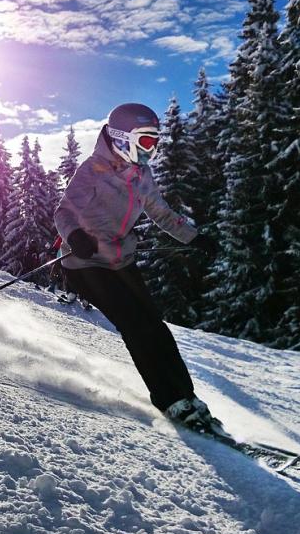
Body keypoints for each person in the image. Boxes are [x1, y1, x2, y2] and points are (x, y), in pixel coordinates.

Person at [54, 103, 218, 432]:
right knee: (135, 324)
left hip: (120, 259)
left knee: (155, 325)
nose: (151, 150)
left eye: (155, 142)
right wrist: (75, 235)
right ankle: (168, 399)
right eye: (145, 142)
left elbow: (160, 212)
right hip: (85, 262)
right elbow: (64, 212)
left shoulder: (142, 175)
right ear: (121, 138)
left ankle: (187, 396)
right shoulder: (92, 169)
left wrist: (193, 237)